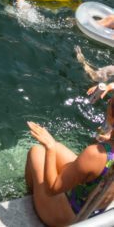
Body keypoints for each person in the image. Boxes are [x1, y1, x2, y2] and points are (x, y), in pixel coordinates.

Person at [26, 94, 114, 226]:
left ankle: (30, 194)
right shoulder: (105, 149)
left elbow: (52, 189)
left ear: (111, 116)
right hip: (94, 210)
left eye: (110, 101)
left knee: (37, 152)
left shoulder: (95, 154)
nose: (108, 101)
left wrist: (49, 147)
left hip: (70, 218)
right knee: (59, 147)